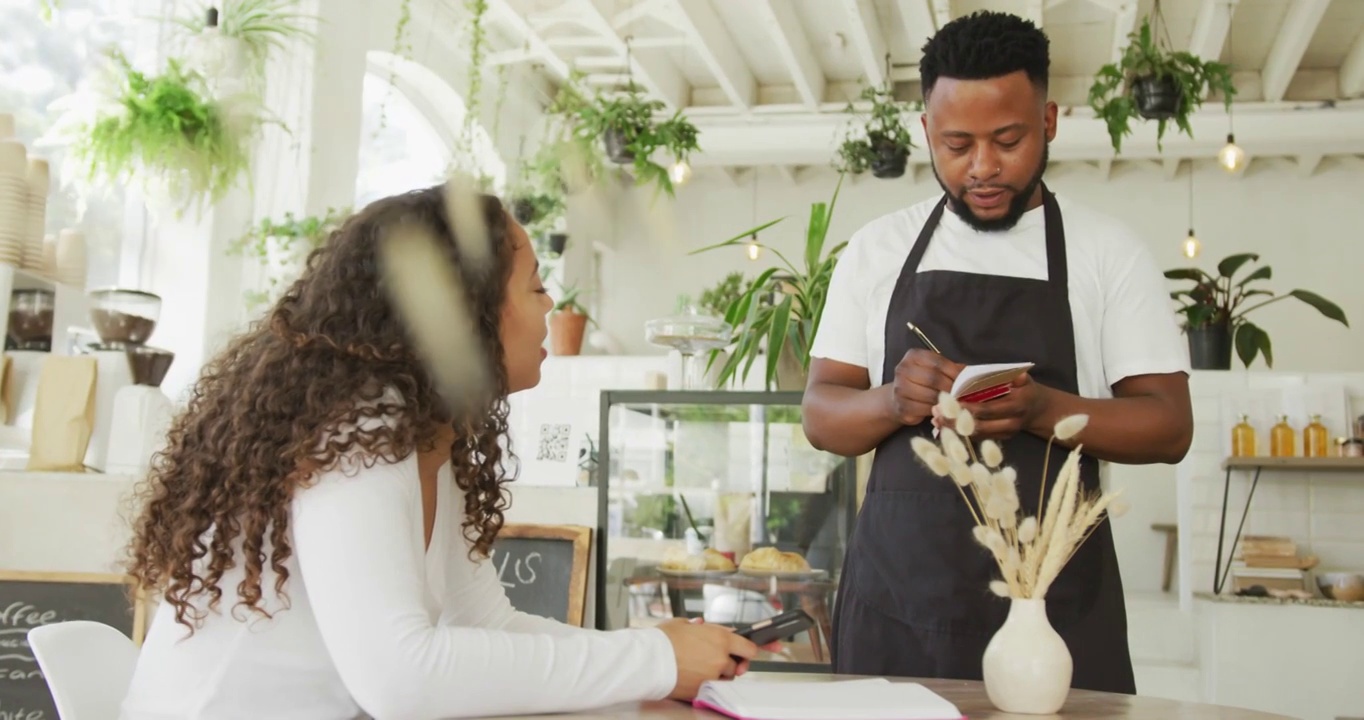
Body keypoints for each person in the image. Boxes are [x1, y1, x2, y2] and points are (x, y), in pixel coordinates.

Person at [119, 185, 759, 720]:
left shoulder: (425, 436)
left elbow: (488, 626)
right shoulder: (356, 434)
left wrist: (654, 655)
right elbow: (400, 681)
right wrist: (653, 661)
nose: (551, 309)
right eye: (535, 286)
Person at [801, 11, 1193, 694]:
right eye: (956, 144)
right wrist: (893, 401)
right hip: (898, 614)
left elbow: (1169, 424)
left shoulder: (1108, 252)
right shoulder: (877, 250)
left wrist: (1044, 408)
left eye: (1007, 140)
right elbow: (821, 414)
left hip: (1056, 613)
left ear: (1049, 121)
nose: (982, 167)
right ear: (925, 132)